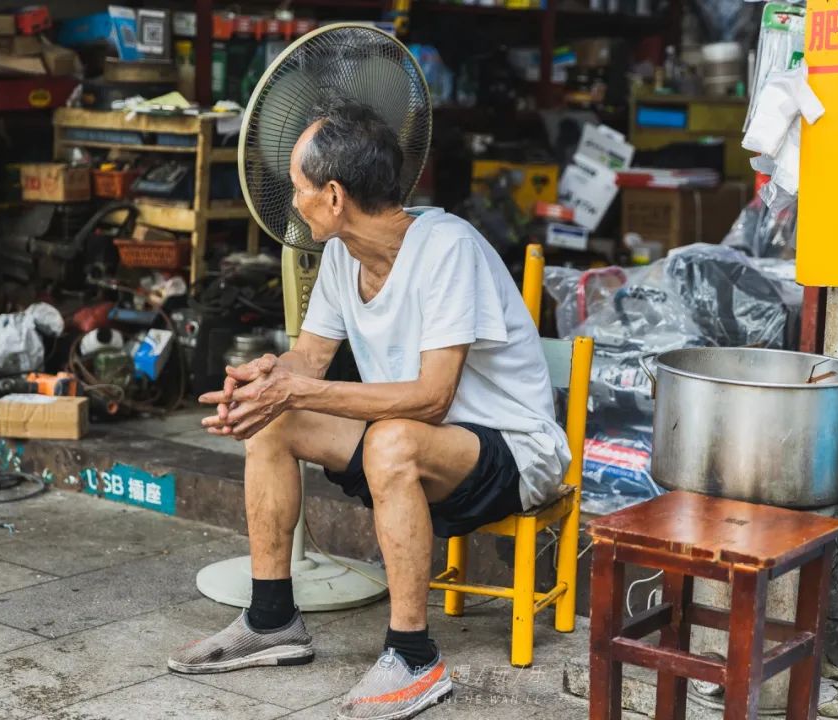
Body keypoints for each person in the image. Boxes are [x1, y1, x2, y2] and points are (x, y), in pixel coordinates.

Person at [168, 100, 570, 720]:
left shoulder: (448, 248)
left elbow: (433, 397)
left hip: (511, 453)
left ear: (334, 196)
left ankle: (413, 656)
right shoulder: (341, 254)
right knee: (275, 422)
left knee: (391, 440)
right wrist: (267, 379)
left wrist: (296, 390)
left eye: (299, 188)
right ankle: (272, 621)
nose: (293, 202)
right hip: (413, 442)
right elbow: (310, 359)